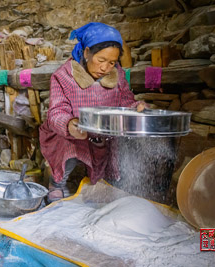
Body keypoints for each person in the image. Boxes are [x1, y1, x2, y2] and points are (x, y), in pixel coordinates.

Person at [39, 22, 143, 203]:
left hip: (104, 133)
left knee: (120, 144)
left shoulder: (117, 75)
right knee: (66, 144)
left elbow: (126, 101)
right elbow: (56, 112)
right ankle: (57, 182)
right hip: (75, 132)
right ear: (87, 53)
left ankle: (108, 182)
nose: (105, 68)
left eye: (112, 62)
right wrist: (70, 124)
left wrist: (137, 107)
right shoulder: (64, 75)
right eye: (101, 60)